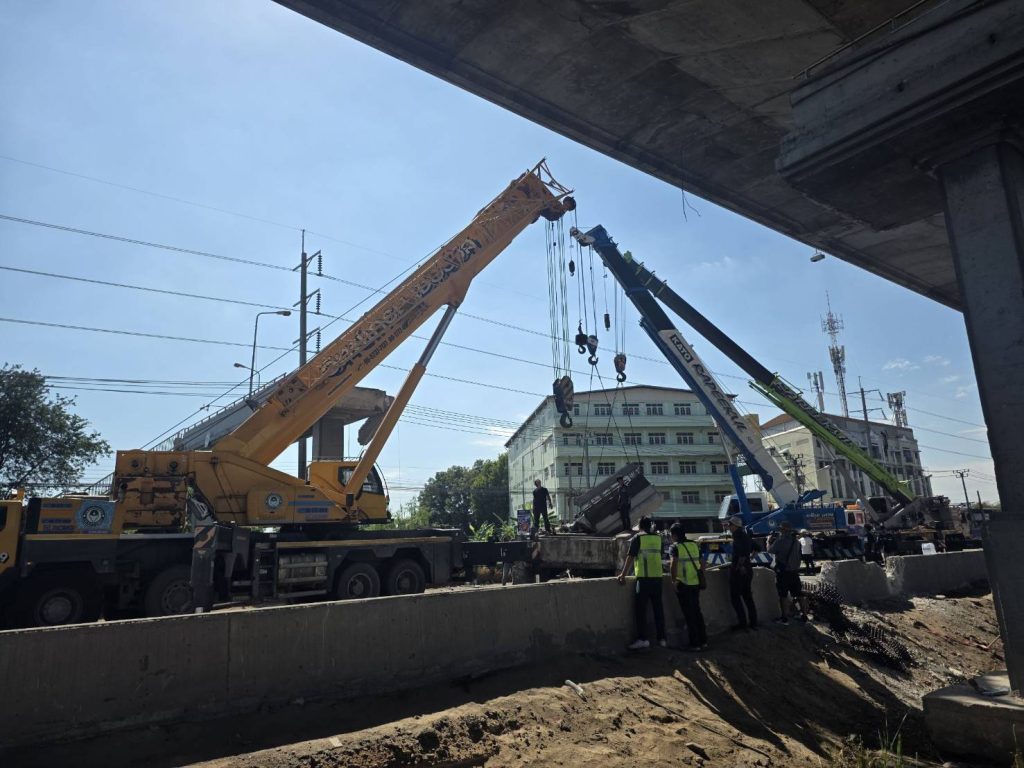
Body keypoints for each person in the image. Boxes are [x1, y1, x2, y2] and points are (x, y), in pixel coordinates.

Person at [617, 515, 667, 649]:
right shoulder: (658, 538)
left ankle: (643, 639)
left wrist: (623, 575)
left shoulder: (638, 538)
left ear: (640, 526)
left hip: (644, 579)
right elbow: (660, 555)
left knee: (640, 609)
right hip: (657, 578)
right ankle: (662, 639)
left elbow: (630, 557)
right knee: (658, 609)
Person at [669, 523, 707, 651]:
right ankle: (704, 642)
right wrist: (701, 574)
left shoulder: (675, 547)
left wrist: (673, 581)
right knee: (697, 612)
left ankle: (695, 644)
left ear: (674, 535)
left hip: (683, 584)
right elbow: (702, 562)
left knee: (689, 614)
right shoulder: (694, 544)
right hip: (695, 583)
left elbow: (673, 564)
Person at [770, 521, 809, 624]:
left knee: (783, 595)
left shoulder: (780, 541)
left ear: (782, 530)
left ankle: (784, 618)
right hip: (794, 572)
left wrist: (768, 542)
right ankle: (804, 616)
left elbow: (770, 551)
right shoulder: (796, 542)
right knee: (799, 594)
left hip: (783, 572)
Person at [725, 515, 758, 630]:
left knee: (735, 597)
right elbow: (757, 548)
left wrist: (740, 566)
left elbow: (742, 554)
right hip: (748, 570)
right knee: (747, 597)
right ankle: (753, 622)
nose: (728, 527)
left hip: (740, 571)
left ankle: (742, 624)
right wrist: (750, 559)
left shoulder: (738, 536)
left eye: (730, 524)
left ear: (735, 526)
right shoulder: (746, 536)